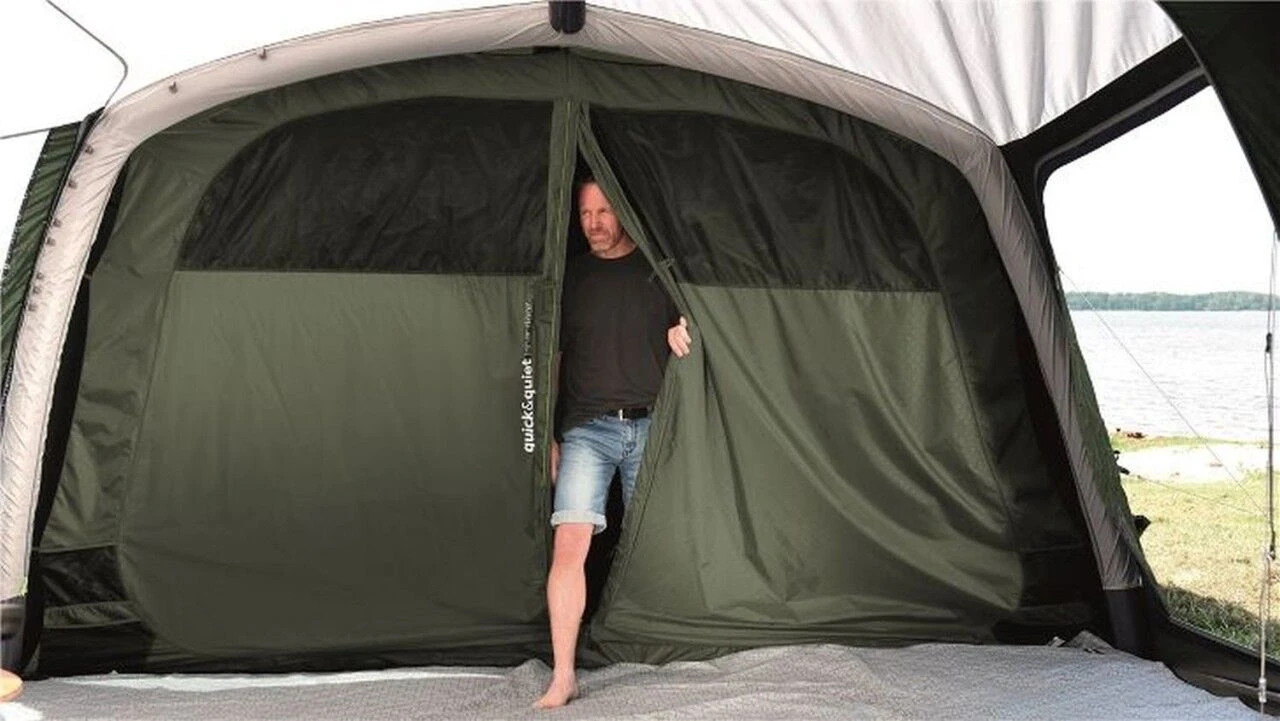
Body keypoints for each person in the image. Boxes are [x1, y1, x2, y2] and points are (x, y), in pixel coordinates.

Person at [534, 179, 692, 709]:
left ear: (622, 211)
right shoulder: (572, 280)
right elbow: (553, 362)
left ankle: (669, 654)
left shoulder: (658, 273)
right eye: (585, 213)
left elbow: (693, 329)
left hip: (652, 426)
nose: (594, 223)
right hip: (587, 430)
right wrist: (550, 436)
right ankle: (564, 675)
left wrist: (681, 332)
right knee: (569, 542)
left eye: (604, 211)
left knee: (664, 543)